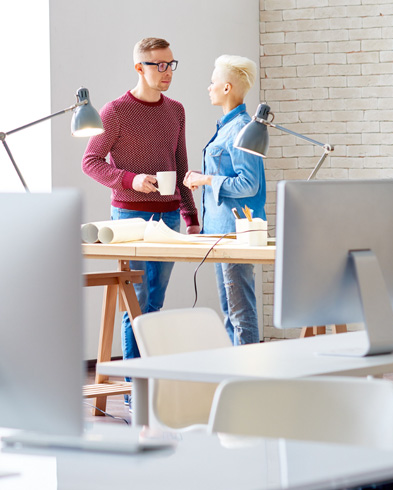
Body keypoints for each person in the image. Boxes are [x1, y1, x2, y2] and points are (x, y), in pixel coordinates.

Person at [82, 37, 200, 365]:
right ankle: (136, 387)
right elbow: (90, 160)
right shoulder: (115, 111)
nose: (167, 72)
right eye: (159, 65)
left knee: (154, 304)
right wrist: (132, 180)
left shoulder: (176, 110)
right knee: (136, 303)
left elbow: (180, 164)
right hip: (130, 218)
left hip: (169, 217)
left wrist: (190, 216)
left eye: (171, 64)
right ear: (139, 67)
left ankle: (147, 380)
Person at [183, 54, 264, 346]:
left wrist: (206, 180)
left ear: (227, 88)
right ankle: (238, 377)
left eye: (213, 81)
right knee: (231, 312)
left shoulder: (242, 129)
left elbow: (249, 184)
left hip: (234, 234)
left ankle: (249, 382)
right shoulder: (226, 127)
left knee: (240, 312)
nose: (209, 87)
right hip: (219, 233)